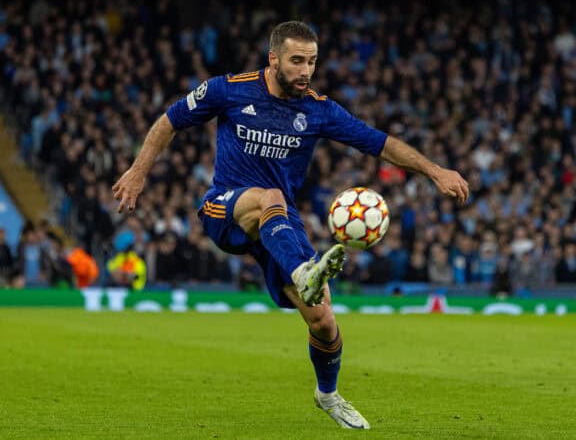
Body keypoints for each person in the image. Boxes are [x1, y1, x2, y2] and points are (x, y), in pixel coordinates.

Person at [112, 21, 469, 429]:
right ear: (274, 59)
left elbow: (379, 142)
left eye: (312, 62)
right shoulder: (228, 89)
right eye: (297, 61)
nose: (305, 70)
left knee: (324, 322)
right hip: (225, 208)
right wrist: (139, 172)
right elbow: (170, 120)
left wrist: (435, 170)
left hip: (279, 228)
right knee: (271, 198)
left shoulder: (318, 110)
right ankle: (304, 273)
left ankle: (328, 394)